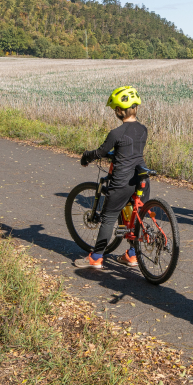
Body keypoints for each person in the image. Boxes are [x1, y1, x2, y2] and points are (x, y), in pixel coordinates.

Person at [77, 86, 148, 269]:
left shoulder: (116, 133)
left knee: (108, 217)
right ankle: (132, 255)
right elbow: (131, 150)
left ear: (119, 110)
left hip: (122, 180)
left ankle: (96, 257)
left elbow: (101, 152)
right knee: (136, 217)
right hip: (141, 178)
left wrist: (87, 156)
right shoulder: (143, 129)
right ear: (136, 108)